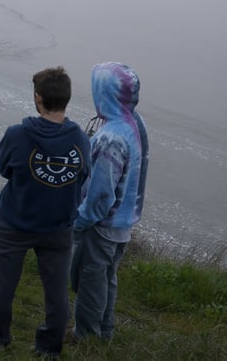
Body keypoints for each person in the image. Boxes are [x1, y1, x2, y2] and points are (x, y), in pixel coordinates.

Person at [0, 67, 90, 358]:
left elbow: (5, 169)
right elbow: (82, 177)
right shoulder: (81, 140)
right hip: (58, 228)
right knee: (56, 293)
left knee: (3, 286)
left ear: (38, 97)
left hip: (14, 223)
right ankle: (49, 348)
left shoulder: (17, 135)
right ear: (66, 99)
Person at [71, 62, 149, 341]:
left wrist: (79, 223)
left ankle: (87, 337)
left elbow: (101, 193)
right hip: (123, 221)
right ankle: (105, 331)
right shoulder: (134, 122)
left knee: (91, 280)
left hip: (102, 224)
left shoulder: (111, 137)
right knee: (107, 277)